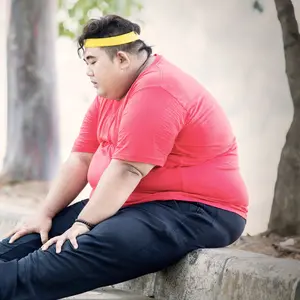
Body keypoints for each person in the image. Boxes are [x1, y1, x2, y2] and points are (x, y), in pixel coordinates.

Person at [0, 15, 248, 300]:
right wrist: (44, 214)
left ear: (121, 59)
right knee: (29, 237)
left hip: (198, 211)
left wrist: (83, 224)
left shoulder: (158, 88)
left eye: (92, 62)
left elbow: (128, 169)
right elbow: (80, 159)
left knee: (65, 251)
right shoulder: (110, 94)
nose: (88, 71)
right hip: (134, 203)